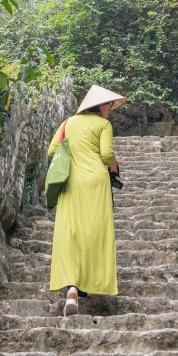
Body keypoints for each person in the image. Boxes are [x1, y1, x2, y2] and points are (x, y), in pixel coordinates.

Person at [48, 84, 125, 317]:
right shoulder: (103, 125)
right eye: (109, 105)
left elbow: (52, 151)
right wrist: (116, 168)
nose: (110, 110)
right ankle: (90, 281)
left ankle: (72, 288)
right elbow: (106, 154)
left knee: (71, 232)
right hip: (96, 183)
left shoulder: (67, 123)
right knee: (94, 231)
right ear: (99, 106)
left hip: (71, 183)